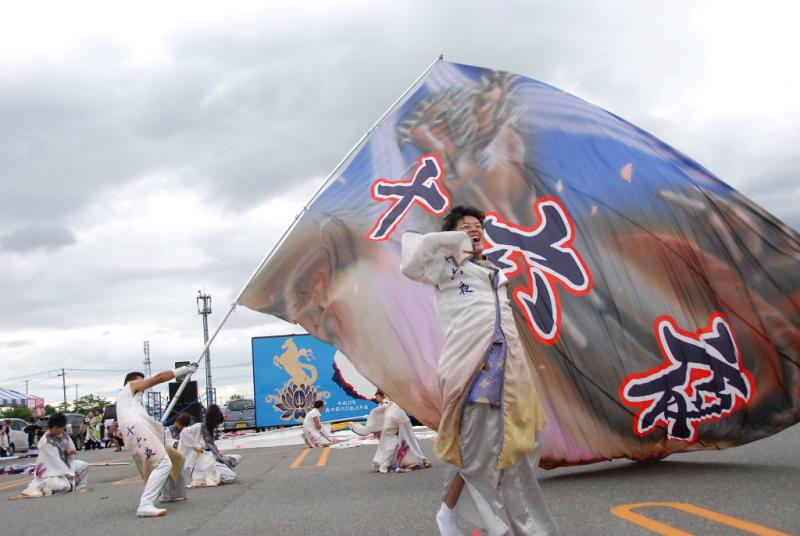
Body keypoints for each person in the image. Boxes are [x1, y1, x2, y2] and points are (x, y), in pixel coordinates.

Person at [401, 205, 558, 536]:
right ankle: (469, 517)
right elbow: (410, 259)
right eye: (466, 225)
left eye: (479, 226)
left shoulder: (495, 272)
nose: (475, 230)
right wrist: (451, 242)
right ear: (453, 233)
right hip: (473, 367)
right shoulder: (444, 266)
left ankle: (458, 512)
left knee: (515, 446)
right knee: (473, 445)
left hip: (510, 370)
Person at [117, 365, 195, 517]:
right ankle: (146, 504)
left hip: (141, 432)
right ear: (131, 382)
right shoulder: (130, 387)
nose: (144, 384)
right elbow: (159, 378)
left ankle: (170, 494)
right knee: (163, 463)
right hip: (137, 430)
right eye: (142, 381)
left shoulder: (133, 402)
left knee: (175, 458)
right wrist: (183, 370)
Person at [351, 390, 432, 473]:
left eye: (378, 397)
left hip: (390, 433)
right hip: (391, 433)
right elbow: (404, 427)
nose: (377, 398)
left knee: (388, 450)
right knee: (390, 449)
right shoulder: (392, 408)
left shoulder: (390, 407)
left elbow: (402, 426)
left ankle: (384, 464)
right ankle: (385, 465)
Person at [22, 412, 89, 497]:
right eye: (62, 427)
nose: (63, 429)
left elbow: (72, 449)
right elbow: (55, 462)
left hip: (67, 465)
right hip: (50, 473)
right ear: (55, 427)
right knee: (65, 485)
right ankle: (43, 487)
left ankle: (78, 488)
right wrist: (69, 474)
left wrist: (71, 451)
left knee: (84, 466)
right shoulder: (46, 442)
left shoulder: (63, 435)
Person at [200, 405, 240, 483]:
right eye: (217, 424)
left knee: (237, 458)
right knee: (232, 477)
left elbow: (214, 449)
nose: (217, 426)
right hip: (207, 460)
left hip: (214, 456)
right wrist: (224, 461)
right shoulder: (202, 429)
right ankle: (213, 477)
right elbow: (211, 451)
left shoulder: (210, 429)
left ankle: (221, 473)